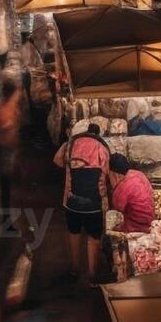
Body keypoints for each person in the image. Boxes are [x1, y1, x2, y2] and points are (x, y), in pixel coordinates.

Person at [54, 122, 111, 284]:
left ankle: (74, 269)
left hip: (72, 202)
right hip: (94, 205)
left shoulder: (70, 144)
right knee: (93, 238)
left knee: (74, 233)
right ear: (98, 134)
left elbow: (57, 161)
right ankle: (92, 275)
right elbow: (106, 171)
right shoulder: (102, 147)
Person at [0, 79, 23, 216]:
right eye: (17, 92)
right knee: (2, 184)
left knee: (5, 185)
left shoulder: (10, 107)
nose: (19, 94)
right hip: (1, 151)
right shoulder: (0, 110)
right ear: (12, 94)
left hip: (8, 151)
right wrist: (2, 139)